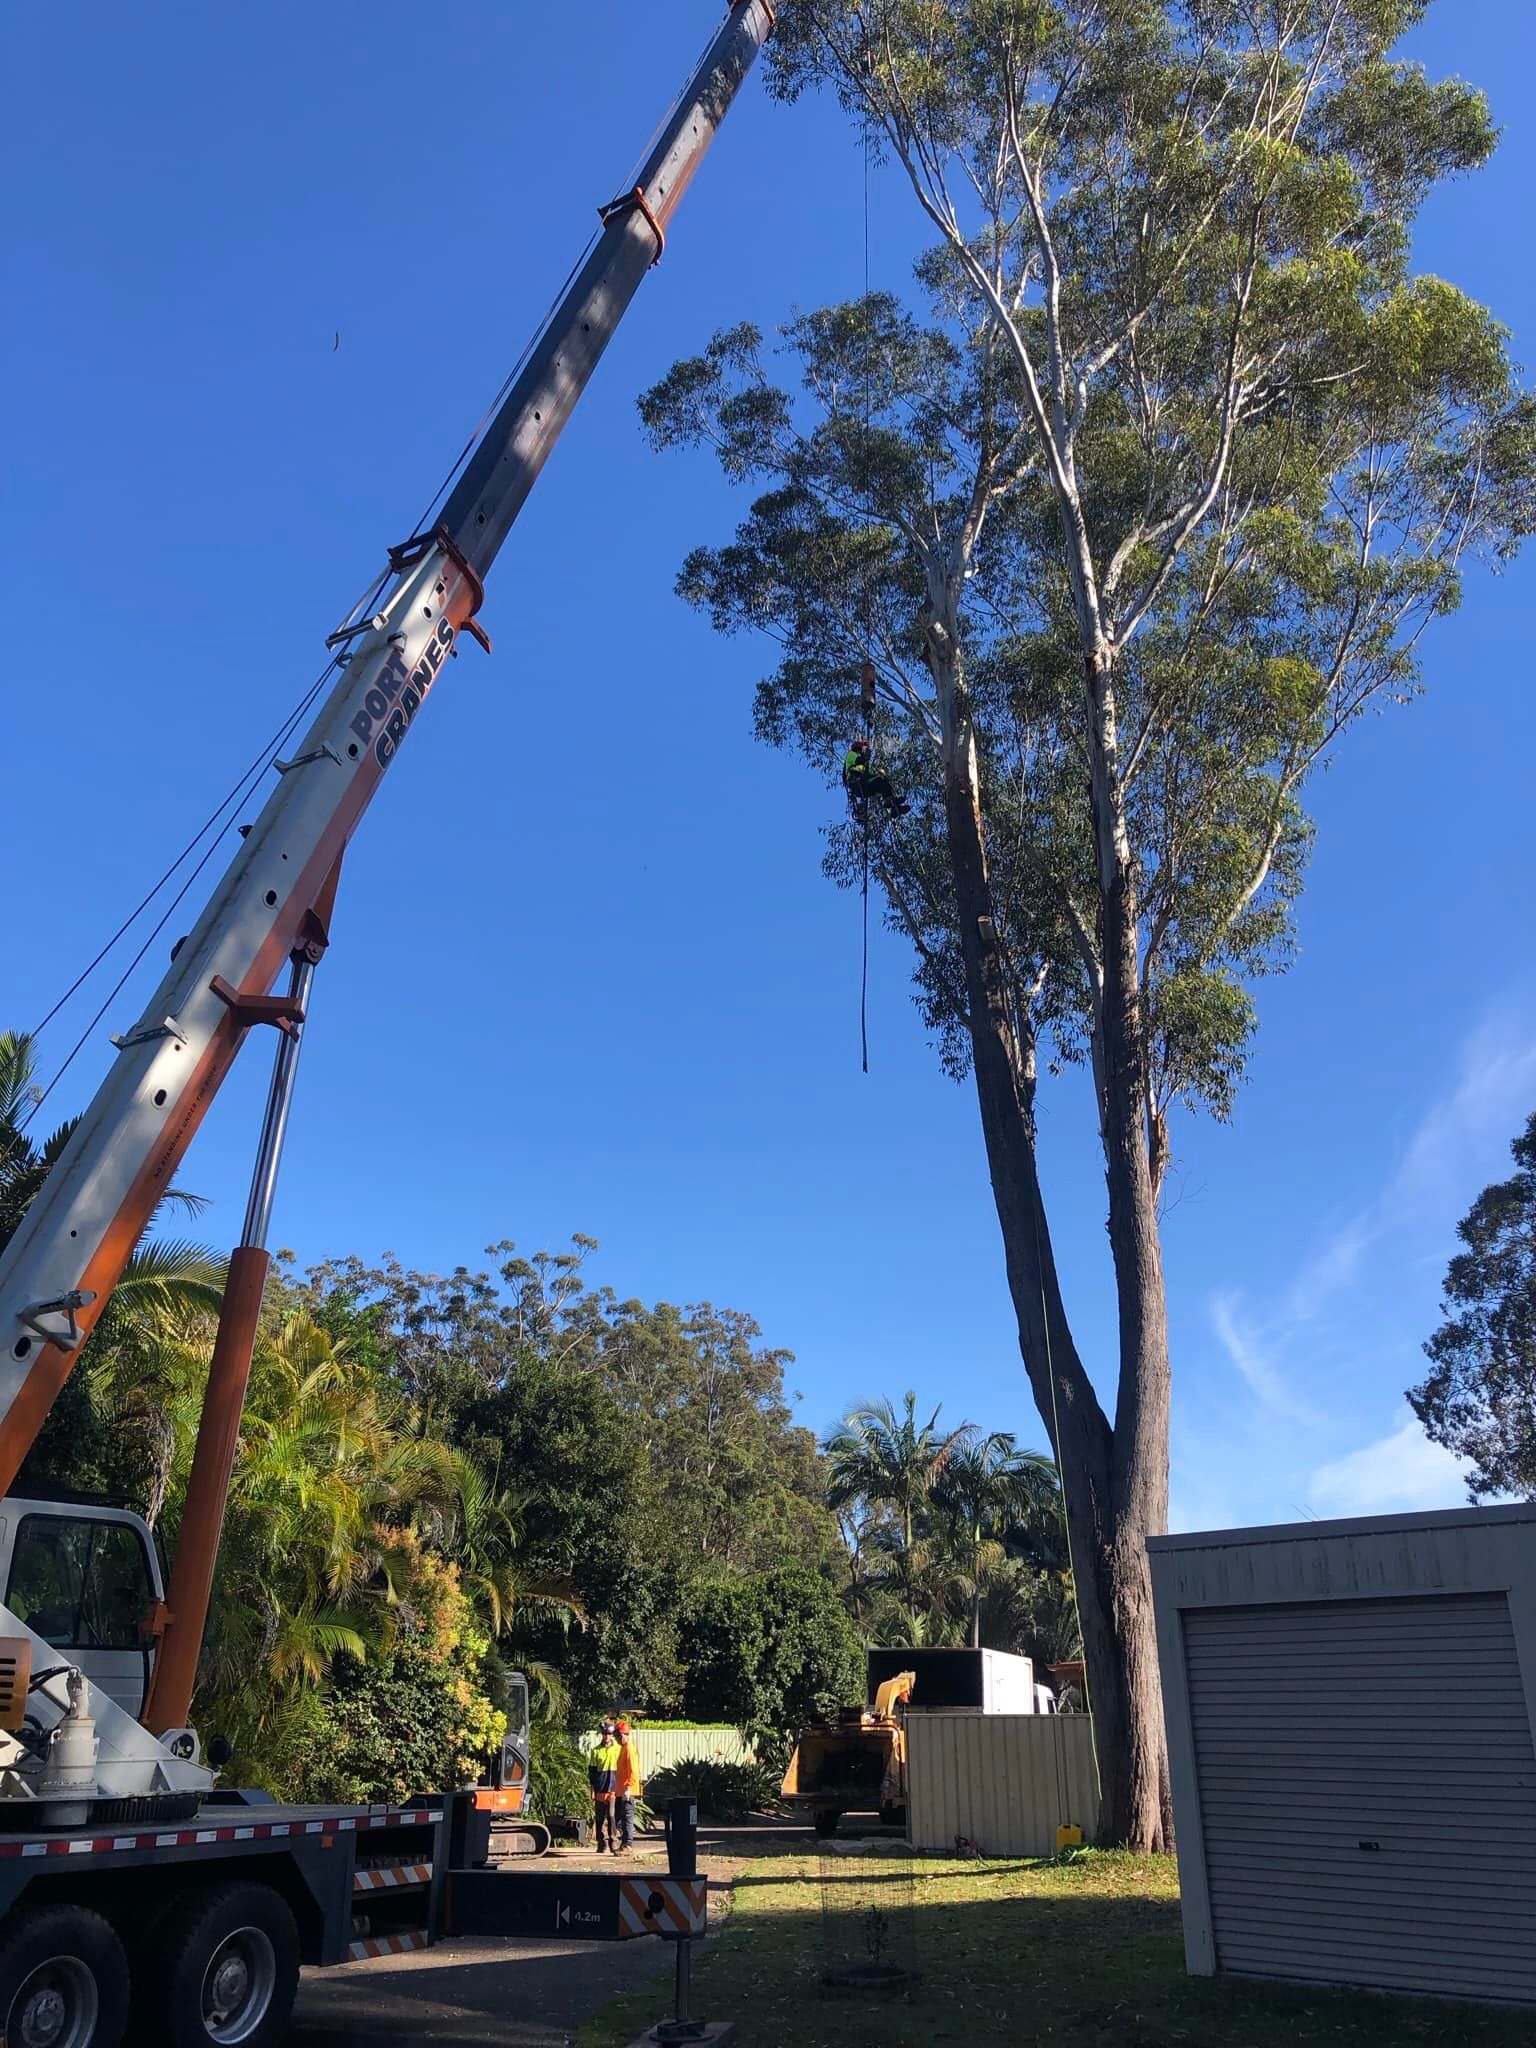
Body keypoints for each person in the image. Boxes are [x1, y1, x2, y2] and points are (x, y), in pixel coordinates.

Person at [842, 735, 907, 817]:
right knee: (880, 780)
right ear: (859, 747)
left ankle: (895, 808)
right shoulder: (851, 754)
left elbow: (868, 775)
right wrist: (866, 756)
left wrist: (880, 774)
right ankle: (889, 801)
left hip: (864, 785)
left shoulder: (864, 764)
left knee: (883, 781)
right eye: (863, 747)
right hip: (856, 784)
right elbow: (859, 761)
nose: (864, 750)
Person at [589, 1718, 622, 1855]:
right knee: (599, 1818)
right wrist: (592, 1790)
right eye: (604, 1734)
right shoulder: (596, 1751)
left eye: (609, 1734)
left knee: (612, 1816)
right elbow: (591, 1772)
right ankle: (601, 1844)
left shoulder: (618, 1749)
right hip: (600, 1789)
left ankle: (613, 1842)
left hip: (613, 1789)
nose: (607, 1736)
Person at [615, 1717, 644, 1852]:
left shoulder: (629, 1749)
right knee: (621, 1818)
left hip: (628, 1790)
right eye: (616, 1736)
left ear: (625, 1734)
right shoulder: (623, 1748)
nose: (617, 1738)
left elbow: (633, 1770)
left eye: (619, 1735)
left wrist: (628, 1787)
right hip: (622, 1790)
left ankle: (628, 1844)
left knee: (627, 1817)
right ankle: (624, 1843)